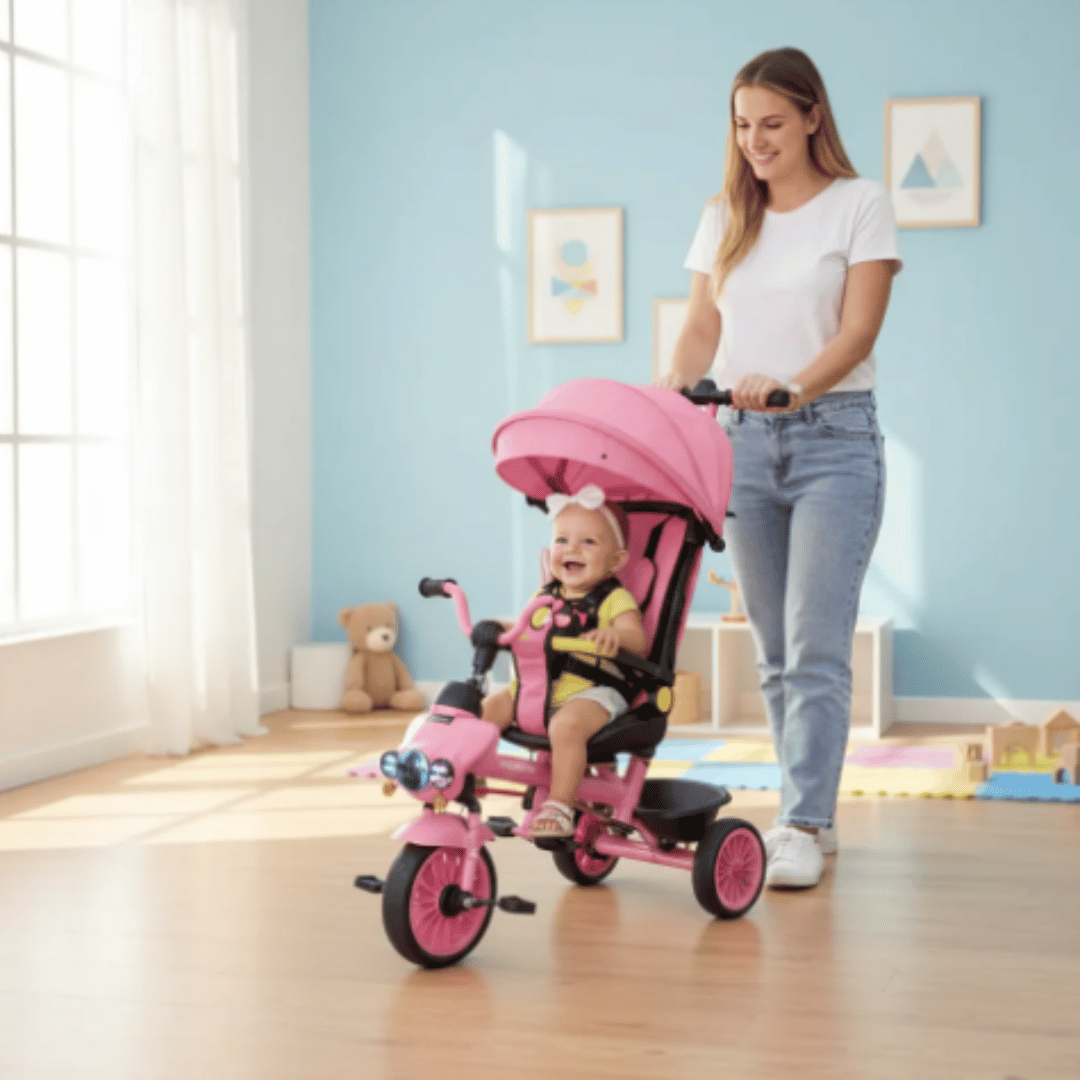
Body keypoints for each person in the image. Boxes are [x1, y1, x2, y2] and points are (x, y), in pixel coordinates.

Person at [657, 47, 902, 889]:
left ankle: (798, 821)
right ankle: (816, 810)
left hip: (834, 440)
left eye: (771, 123)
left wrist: (794, 389)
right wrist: (670, 396)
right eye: (741, 125)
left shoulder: (859, 206)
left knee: (814, 647)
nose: (755, 140)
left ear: (811, 118)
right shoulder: (724, 214)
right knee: (770, 650)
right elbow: (699, 329)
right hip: (740, 443)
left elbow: (858, 332)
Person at [482, 485, 647, 839]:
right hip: (542, 686)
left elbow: (638, 640)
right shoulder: (544, 596)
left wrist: (615, 637)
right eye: (562, 540)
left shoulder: (614, 598)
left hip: (595, 691)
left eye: (588, 542)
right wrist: (500, 631)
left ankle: (559, 804)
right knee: (488, 710)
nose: (571, 549)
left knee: (565, 727)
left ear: (615, 561)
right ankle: (471, 770)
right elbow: (525, 629)